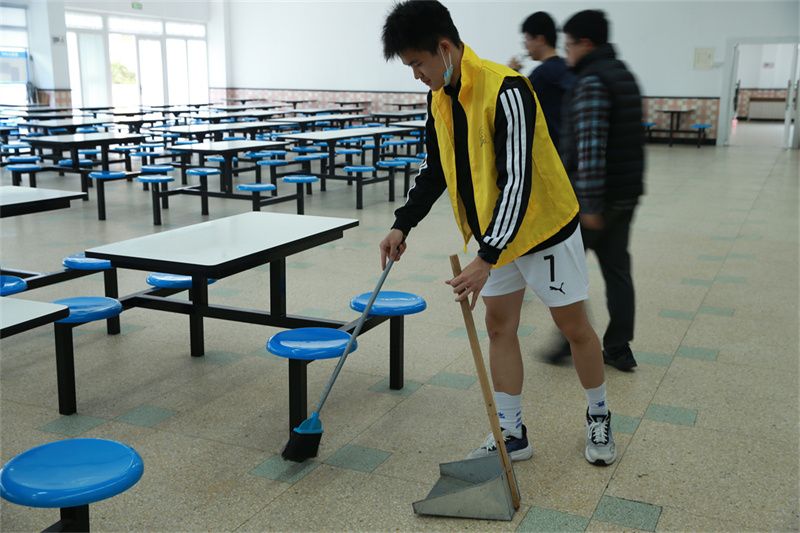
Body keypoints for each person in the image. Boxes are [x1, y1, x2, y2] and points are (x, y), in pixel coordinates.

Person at [379, 0, 616, 466]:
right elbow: (436, 169)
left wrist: (485, 258)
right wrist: (402, 223)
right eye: (410, 67)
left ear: (444, 48)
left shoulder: (507, 89)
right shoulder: (439, 98)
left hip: (544, 230)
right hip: (496, 235)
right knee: (498, 326)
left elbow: (518, 181)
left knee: (574, 329)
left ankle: (600, 414)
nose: (417, 75)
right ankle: (511, 432)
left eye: (418, 63)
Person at [556, 10, 645, 371]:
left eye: (568, 45)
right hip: (625, 192)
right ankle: (619, 347)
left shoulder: (592, 81)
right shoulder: (623, 73)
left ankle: (568, 338)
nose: (566, 53)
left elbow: (591, 149)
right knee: (617, 270)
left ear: (586, 43)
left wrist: (590, 205)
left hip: (598, 199)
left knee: (567, 269)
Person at [508, 12, 574, 151]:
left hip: (553, 150)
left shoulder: (541, 74)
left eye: (527, 39)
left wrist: (511, 75)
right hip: (570, 146)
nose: (525, 46)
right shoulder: (568, 67)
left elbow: (520, 105)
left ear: (540, 39)